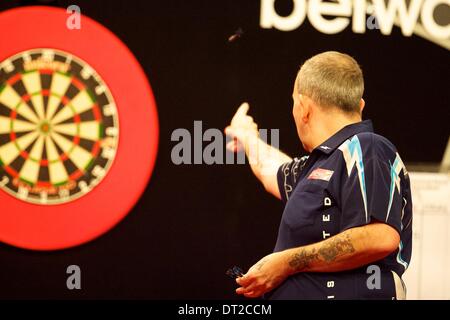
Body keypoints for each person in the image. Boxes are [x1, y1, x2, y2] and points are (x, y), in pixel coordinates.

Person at [225, 51, 412, 300]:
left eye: (293, 102)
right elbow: (272, 171)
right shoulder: (323, 164)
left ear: (303, 108)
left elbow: (379, 237)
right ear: (360, 106)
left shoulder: (367, 147)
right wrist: (247, 135)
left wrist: (285, 263)